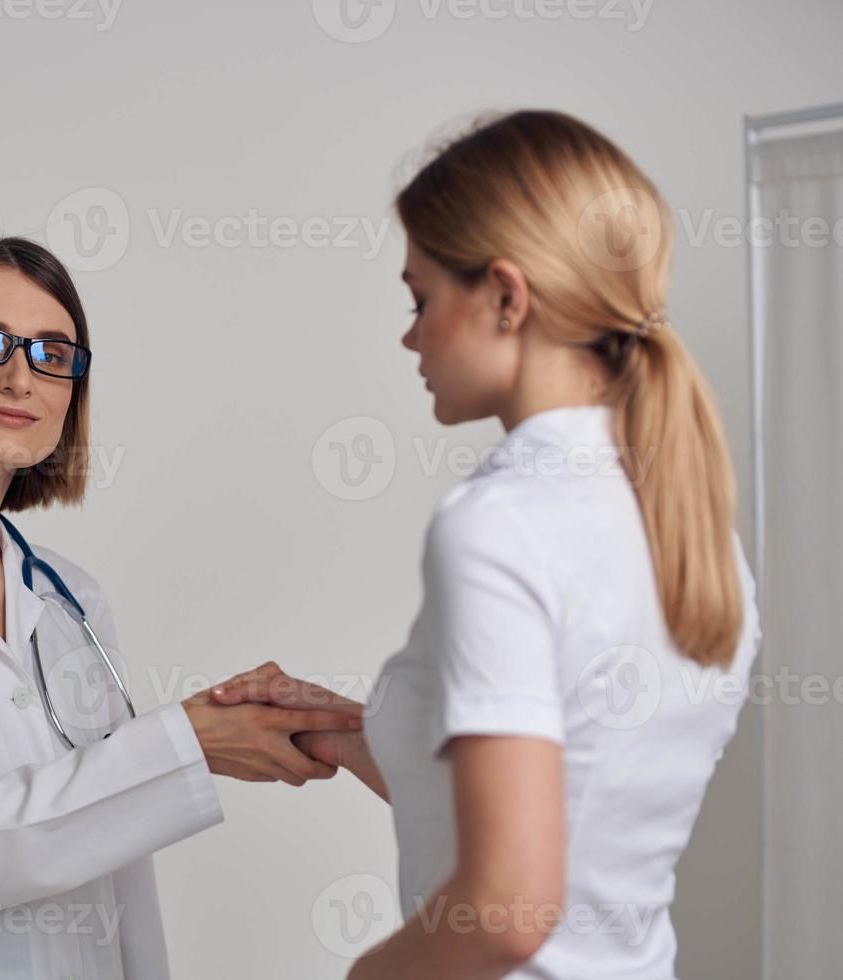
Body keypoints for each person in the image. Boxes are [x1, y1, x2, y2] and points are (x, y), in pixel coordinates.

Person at [213, 109, 764, 979]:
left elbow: (508, 912)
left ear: (506, 296)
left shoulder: (498, 525)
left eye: (419, 297)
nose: (409, 335)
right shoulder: (692, 536)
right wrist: (352, 731)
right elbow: (569, 810)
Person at [0, 236, 362, 980]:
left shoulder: (69, 596)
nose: (20, 377)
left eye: (53, 353)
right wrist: (185, 745)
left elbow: (118, 870)